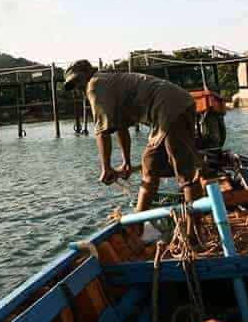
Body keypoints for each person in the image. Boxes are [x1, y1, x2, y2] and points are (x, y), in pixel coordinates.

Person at [62, 59, 202, 214]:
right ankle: (138, 222)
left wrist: (106, 167)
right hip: (170, 109)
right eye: (72, 85)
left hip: (169, 108)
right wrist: (126, 162)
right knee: (149, 166)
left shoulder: (94, 85)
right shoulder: (107, 84)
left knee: (185, 172)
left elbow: (102, 132)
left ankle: (192, 231)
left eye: (77, 81)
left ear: (88, 74)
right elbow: (120, 127)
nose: (77, 87)